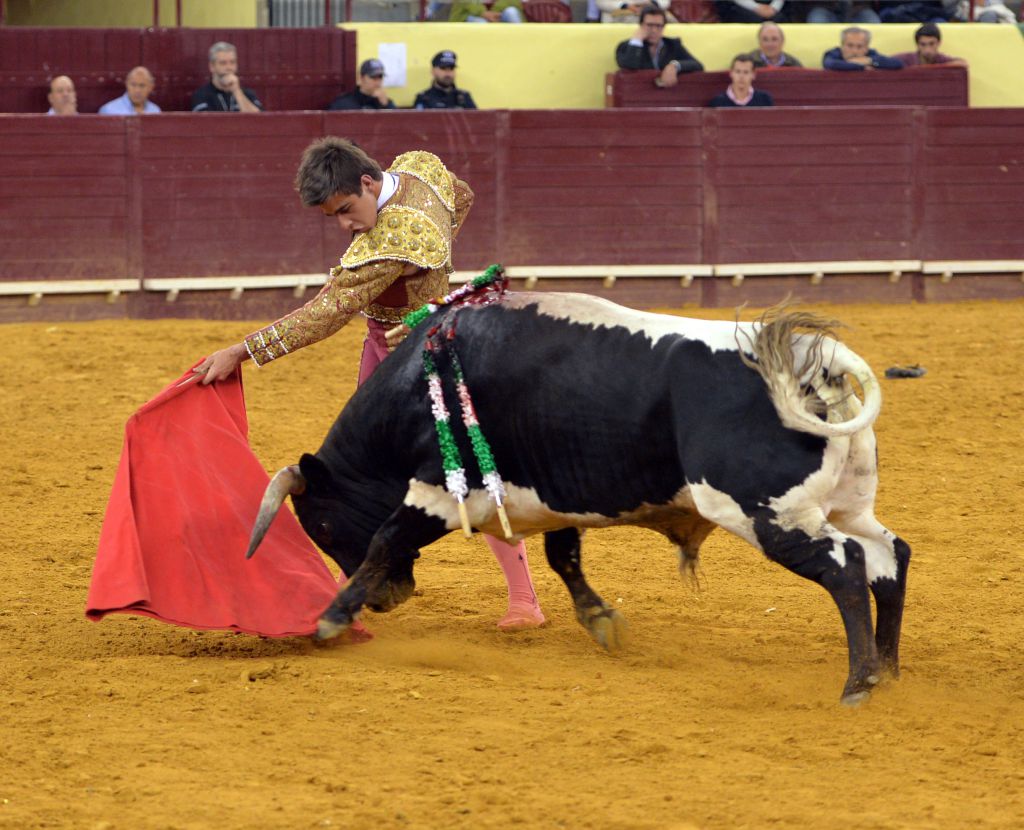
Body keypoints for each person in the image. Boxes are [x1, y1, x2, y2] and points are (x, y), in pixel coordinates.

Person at [194, 137, 545, 631]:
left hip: (428, 360)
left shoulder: (395, 239)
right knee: (358, 469)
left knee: (466, 470)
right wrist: (433, 273)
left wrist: (243, 350)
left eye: (346, 210)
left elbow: (326, 312)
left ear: (367, 182)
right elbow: (460, 194)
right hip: (385, 348)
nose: (345, 226)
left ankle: (525, 601)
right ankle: (354, 586)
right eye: (333, 217)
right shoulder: (418, 168)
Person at [615, 5, 703, 89]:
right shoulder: (626, 46)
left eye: (658, 26)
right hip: (638, 96)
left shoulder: (672, 44)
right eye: (649, 25)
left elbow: (698, 65)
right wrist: (637, 40)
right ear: (641, 25)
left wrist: (674, 66)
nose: (654, 30)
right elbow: (630, 65)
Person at [191, 41, 264, 113]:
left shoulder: (247, 94)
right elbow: (203, 123)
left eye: (232, 62)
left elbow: (258, 120)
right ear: (212, 66)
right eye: (223, 63)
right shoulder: (201, 95)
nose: (229, 67)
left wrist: (236, 91)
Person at [413, 51, 478, 110]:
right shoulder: (424, 98)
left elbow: (476, 121)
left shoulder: (464, 97)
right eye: (443, 68)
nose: (448, 73)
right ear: (433, 71)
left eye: (451, 69)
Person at [326, 59, 396, 111]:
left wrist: (385, 105)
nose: (378, 82)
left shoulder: (385, 103)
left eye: (380, 77)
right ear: (360, 78)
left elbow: (397, 126)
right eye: (373, 77)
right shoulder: (343, 103)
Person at [822, 27, 903, 72]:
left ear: (866, 48)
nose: (854, 51)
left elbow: (898, 64)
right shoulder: (833, 53)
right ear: (842, 45)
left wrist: (869, 61)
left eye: (859, 47)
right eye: (850, 46)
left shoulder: (870, 54)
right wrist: (862, 67)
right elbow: (831, 64)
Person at [708, 55, 774, 107]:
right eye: (738, 71)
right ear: (731, 73)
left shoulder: (764, 100)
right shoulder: (717, 102)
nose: (741, 76)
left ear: (753, 75)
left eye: (746, 72)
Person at [892, 22, 968, 68]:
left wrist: (935, 68)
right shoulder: (907, 59)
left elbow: (963, 63)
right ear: (917, 45)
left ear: (939, 43)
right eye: (923, 44)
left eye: (931, 44)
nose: (927, 50)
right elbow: (888, 62)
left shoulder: (941, 59)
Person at [714, 0, 787, 24]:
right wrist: (756, 7)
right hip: (740, 8)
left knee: (779, 19)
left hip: (774, 9)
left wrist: (774, 8)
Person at [597, 0, 669, 24]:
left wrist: (652, 3)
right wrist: (625, 6)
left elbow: (665, 2)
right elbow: (601, 3)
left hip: (649, 19)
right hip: (617, 19)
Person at [450, 0, 525, 22]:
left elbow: (513, 2)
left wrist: (494, 13)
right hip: (469, 15)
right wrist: (482, 13)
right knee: (481, 23)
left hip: (499, 16)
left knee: (511, 12)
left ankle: (522, 41)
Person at [806, 1, 881, 23]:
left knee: (873, 22)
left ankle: (870, 58)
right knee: (817, 20)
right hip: (825, 7)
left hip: (858, 9)